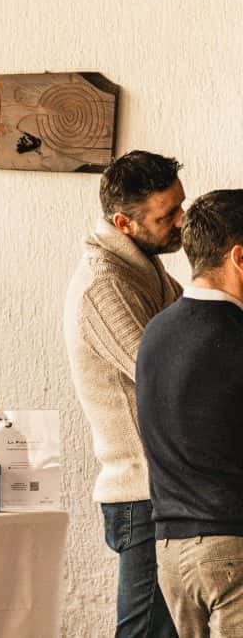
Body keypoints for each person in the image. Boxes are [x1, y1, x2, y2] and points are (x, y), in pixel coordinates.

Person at [64, 150, 185, 637]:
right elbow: (169, 377)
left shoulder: (143, 265)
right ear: (124, 223)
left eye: (180, 206)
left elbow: (193, 337)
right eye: (167, 216)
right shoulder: (104, 285)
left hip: (162, 489)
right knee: (145, 633)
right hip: (141, 492)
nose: (181, 221)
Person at [137, 190, 243, 636]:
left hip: (171, 552)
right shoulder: (236, 335)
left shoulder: (155, 332)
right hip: (231, 547)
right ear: (240, 258)